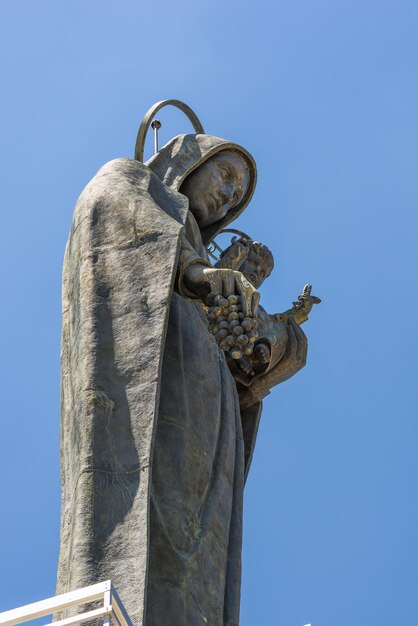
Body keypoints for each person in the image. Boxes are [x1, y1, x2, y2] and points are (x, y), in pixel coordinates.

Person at [56, 133, 307, 626]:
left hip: (212, 416)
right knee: (147, 513)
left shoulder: (209, 265)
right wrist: (192, 271)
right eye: (226, 175)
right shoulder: (132, 183)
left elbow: (248, 362)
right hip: (153, 388)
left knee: (203, 542)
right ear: (189, 161)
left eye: (237, 194)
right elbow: (106, 202)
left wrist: (267, 353)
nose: (229, 195)